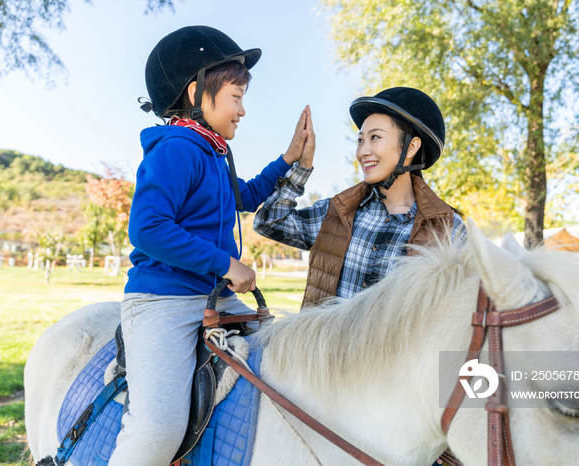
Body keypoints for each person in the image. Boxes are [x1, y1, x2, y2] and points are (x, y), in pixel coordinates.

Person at [111, 26, 310, 465]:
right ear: (197, 92)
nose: (242, 110)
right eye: (236, 97)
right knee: (158, 429)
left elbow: (246, 194)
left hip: (212, 298)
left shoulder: (211, 154)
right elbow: (147, 228)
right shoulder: (177, 150)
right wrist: (225, 263)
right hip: (163, 301)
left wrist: (289, 157)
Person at [254, 87, 467, 308]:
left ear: (411, 146)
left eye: (375, 137)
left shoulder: (450, 231)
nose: (362, 152)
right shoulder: (337, 212)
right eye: (360, 140)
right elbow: (269, 222)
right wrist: (303, 166)